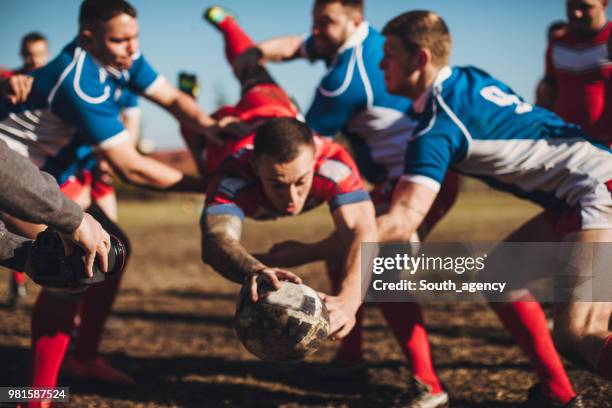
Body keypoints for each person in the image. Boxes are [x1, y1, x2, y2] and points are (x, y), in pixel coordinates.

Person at [207, 4, 455, 403]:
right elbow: (291, 46)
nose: (315, 31)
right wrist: (250, 50)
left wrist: (251, 85)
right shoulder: (371, 42)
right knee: (346, 259)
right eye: (314, 21)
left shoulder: (342, 82)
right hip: (395, 178)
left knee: (383, 271)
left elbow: (300, 146)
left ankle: (429, 383)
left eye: (326, 23)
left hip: (419, 181)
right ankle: (351, 355)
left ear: (355, 20)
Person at [378, 9, 612, 406]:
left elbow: (403, 220)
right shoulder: (472, 79)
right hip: (585, 187)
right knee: (501, 273)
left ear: (420, 59)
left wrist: (321, 247)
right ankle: (557, 394)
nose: (382, 64)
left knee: (579, 332)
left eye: (390, 54)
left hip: (597, 189)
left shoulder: (437, 125)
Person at [0, 0, 225, 394]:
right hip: (14, 183)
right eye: (120, 39)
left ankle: (83, 359)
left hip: (49, 179)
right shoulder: (78, 80)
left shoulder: (124, 59)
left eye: (135, 37)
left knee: (111, 250)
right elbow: (131, 167)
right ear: (89, 37)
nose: (131, 48)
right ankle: (37, 397)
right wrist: (212, 185)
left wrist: (210, 128)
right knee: (68, 266)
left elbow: (173, 99)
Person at [202, 117, 377, 343]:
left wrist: (350, 300)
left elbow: (363, 231)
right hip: (235, 129)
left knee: (400, 247)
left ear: (314, 158)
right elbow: (214, 240)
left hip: (276, 114)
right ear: (255, 166)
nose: (292, 199)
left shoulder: (333, 163)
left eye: (301, 182)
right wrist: (253, 269)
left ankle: (354, 359)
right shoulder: (232, 177)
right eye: (277, 184)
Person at [0, 137, 110, 278]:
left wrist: (24, 257)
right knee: (68, 252)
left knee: (71, 261)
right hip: (29, 181)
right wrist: (74, 219)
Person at [1, 32, 51, 306]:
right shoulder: (12, 80)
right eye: (30, 54)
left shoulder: (53, 83)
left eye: (40, 53)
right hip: (10, 167)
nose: (35, 59)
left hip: (46, 168)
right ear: (22, 55)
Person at [537, 0, 610, 146]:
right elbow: (547, 92)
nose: (576, 13)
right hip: (564, 144)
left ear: (604, 4)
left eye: (585, 7)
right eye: (571, 6)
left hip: (607, 147)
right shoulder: (557, 43)